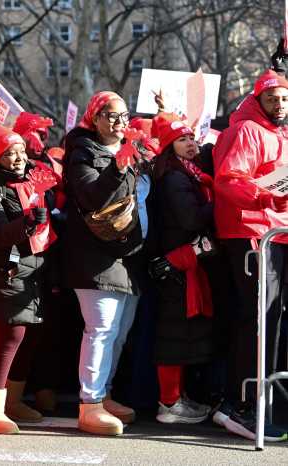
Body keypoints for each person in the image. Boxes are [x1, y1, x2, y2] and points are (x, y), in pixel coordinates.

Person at [0, 124, 57, 433]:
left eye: (20, 151)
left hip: (33, 268)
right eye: (9, 153)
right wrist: (29, 221)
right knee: (9, 338)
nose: (18, 158)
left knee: (28, 336)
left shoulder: (30, 177)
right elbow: (0, 232)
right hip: (3, 271)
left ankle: (12, 402)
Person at [211, 69, 288, 442]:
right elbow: (229, 181)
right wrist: (267, 197)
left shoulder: (278, 133)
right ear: (257, 100)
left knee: (271, 322)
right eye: (272, 98)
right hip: (253, 237)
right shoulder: (247, 131)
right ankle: (241, 406)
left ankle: (260, 402)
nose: (280, 104)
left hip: (275, 235)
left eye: (285, 98)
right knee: (259, 321)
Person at [63, 91, 145, 436]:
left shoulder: (133, 150)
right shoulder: (82, 152)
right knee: (100, 331)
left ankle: (105, 394)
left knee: (119, 334)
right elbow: (92, 196)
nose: (119, 122)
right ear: (94, 118)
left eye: (123, 116)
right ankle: (90, 403)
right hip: (95, 257)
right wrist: (118, 166)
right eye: (111, 115)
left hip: (129, 256)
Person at [150, 118, 216, 424]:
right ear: (168, 147)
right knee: (173, 334)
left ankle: (177, 398)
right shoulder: (175, 179)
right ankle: (169, 403)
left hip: (184, 263)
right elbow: (190, 220)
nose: (192, 143)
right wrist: (222, 199)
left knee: (181, 333)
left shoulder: (189, 174)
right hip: (176, 266)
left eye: (192, 137)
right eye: (182, 139)